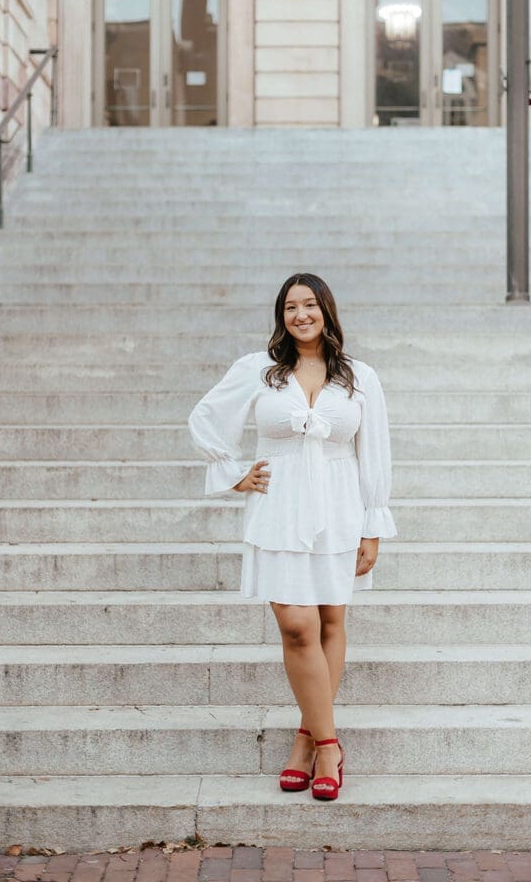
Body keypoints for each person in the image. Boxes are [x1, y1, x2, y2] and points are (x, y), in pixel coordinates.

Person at [188, 272, 397, 801]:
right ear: (281, 317)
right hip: (279, 507)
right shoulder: (258, 371)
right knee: (297, 625)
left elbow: (373, 451)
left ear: (327, 309)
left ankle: (305, 740)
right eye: (290, 307)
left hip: (340, 507)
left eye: (309, 304)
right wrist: (232, 472)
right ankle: (330, 743)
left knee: (330, 619)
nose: (300, 315)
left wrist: (374, 522)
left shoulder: (359, 377)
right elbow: (207, 418)